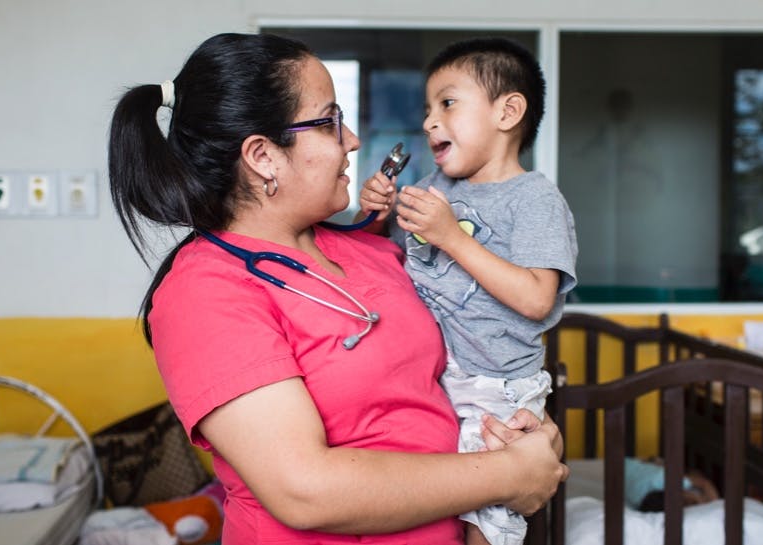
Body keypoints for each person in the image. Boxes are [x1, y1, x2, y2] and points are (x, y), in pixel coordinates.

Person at [107, 33, 567, 545]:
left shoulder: (371, 248)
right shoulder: (205, 292)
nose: (351, 139)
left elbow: (469, 356)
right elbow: (305, 491)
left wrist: (526, 434)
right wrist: (514, 475)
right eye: (329, 122)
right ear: (263, 156)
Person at [359, 38, 578, 545]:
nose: (431, 121)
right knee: (429, 513)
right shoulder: (438, 187)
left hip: (493, 388)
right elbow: (381, 259)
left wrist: (452, 236)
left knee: (487, 522)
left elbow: (536, 299)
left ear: (508, 111)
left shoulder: (535, 199)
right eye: (428, 110)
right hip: (434, 379)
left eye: (448, 103)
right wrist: (372, 216)